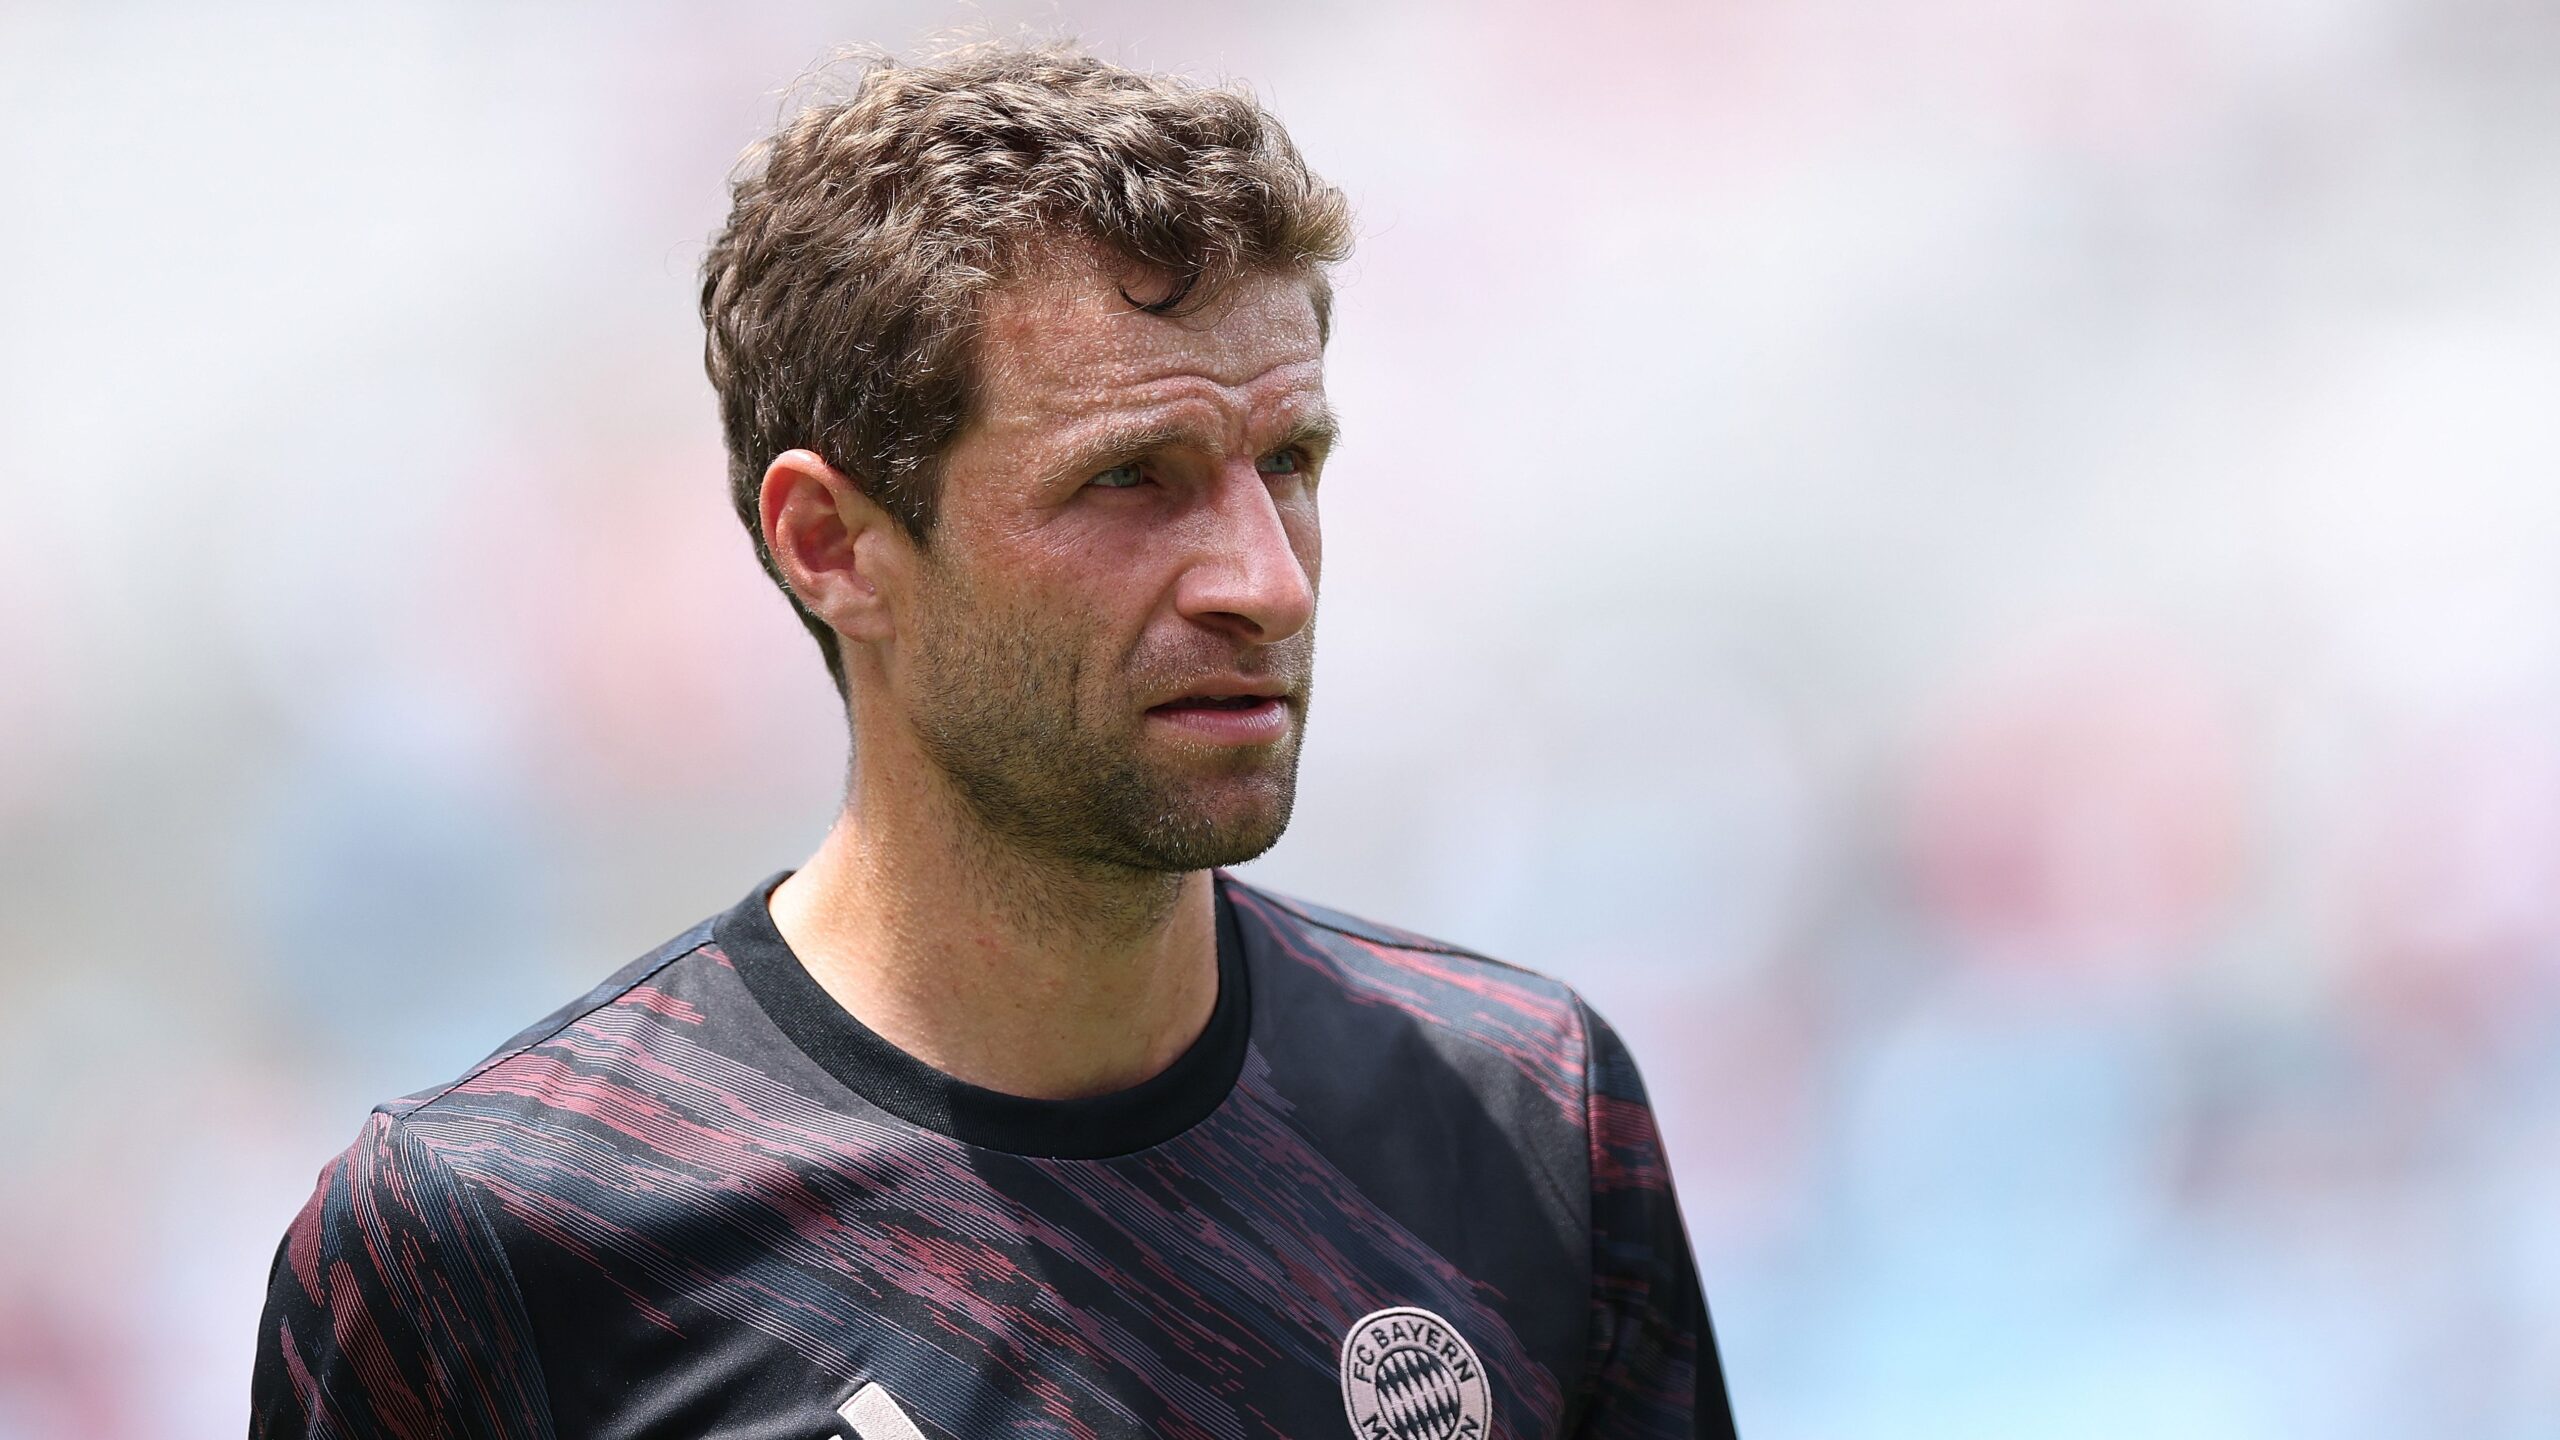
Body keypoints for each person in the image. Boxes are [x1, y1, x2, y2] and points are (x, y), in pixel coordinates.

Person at [250, 42, 1738, 1440]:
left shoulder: (1526, 1110)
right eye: (1131, 478)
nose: (1267, 581)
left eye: (1287, 462)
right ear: (833, 545)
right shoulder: (494, 1243)